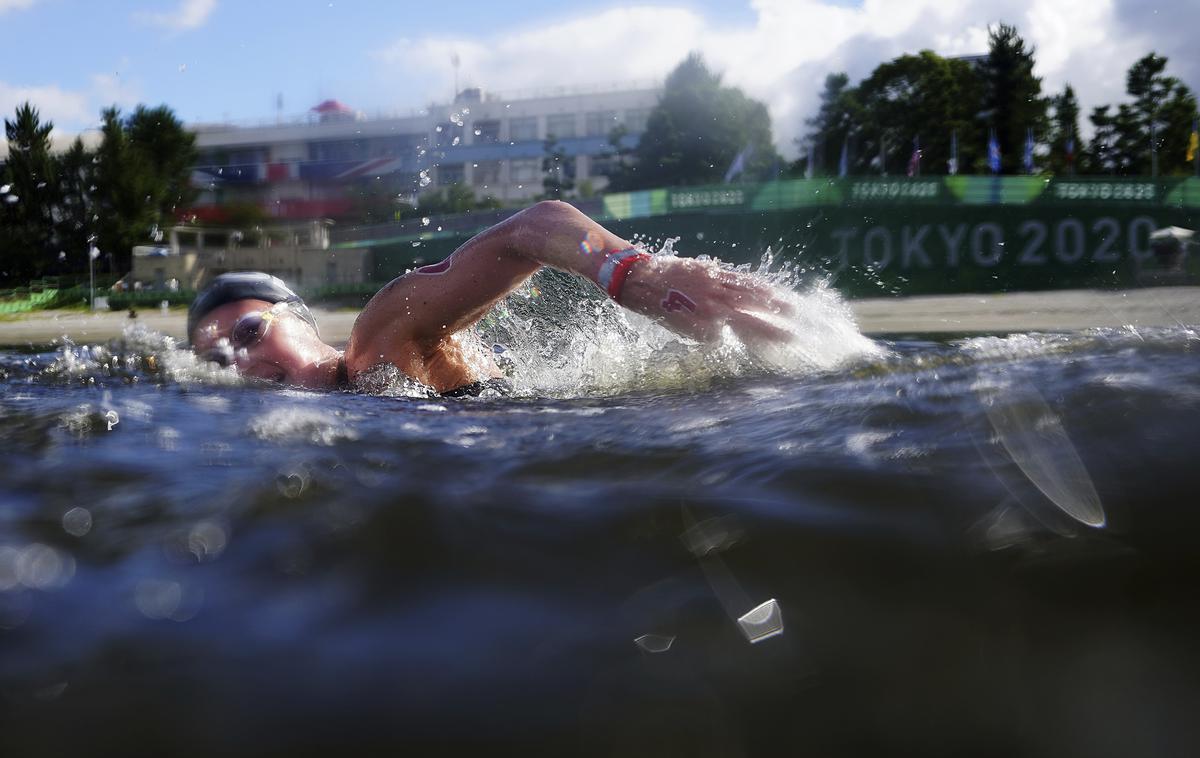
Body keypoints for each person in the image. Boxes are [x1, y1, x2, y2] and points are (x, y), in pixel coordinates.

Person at [188, 201, 797, 394]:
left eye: (248, 334)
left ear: (297, 319)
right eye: (217, 363)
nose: (240, 364)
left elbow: (531, 230)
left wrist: (631, 272)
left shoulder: (378, 340)